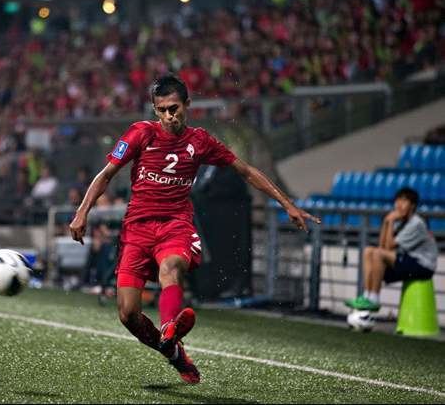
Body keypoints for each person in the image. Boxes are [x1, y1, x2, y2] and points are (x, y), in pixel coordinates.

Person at [69, 75, 319, 384]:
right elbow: (106, 174)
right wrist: (82, 212)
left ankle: (170, 327)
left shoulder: (200, 141)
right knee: (127, 313)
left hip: (176, 225)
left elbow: (246, 171)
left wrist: (287, 203)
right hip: (137, 229)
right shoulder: (140, 134)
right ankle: (174, 352)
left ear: (187, 104)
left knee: (171, 268)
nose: (168, 115)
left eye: (173, 108)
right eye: (161, 110)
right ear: (154, 110)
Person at [345, 187, 438, 312]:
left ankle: (374, 299)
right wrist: (386, 222)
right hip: (408, 262)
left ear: (412, 205)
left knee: (378, 254)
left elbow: (387, 248)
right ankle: (367, 295)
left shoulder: (416, 223)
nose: (399, 205)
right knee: (368, 251)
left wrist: (391, 220)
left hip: (423, 266)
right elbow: (382, 246)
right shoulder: (400, 222)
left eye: (404, 201)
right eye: (397, 201)